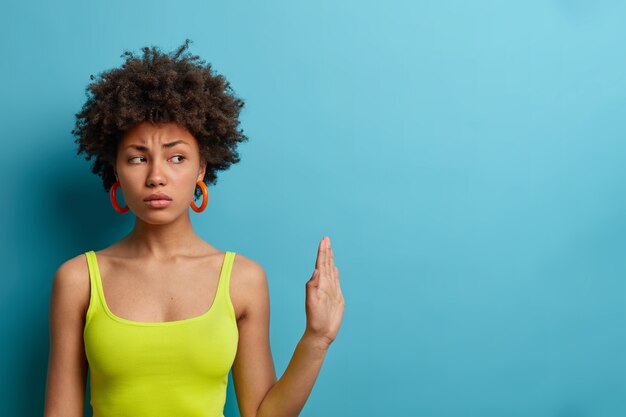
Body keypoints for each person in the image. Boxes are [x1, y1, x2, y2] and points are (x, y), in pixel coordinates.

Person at [43, 39, 345, 417]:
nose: (156, 177)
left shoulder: (243, 279)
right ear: (116, 170)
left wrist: (317, 339)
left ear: (201, 167)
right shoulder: (77, 280)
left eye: (177, 157)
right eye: (138, 158)